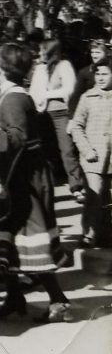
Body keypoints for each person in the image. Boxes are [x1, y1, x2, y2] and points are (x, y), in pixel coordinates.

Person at [0, 43, 72, 323]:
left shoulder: (14, 99)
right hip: (16, 177)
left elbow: (17, 139)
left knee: (30, 241)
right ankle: (15, 297)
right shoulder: (10, 95)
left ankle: (59, 301)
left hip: (21, 181)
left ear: (3, 67)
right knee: (8, 239)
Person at [68, 58, 112, 248]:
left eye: (105, 74)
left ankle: (106, 234)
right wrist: (86, 150)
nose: (101, 78)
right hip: (93, 157)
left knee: (108, 200)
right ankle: (89, 234)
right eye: (98, 74)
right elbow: (76, 127)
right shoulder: (87, 97)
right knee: (94, 196)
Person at [30, 39, 83, 196]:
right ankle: (49, 186)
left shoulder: (64, 66)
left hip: (60, 113)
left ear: (51, 51)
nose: (40, 53)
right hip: (42, 112)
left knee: (67, 149)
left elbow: (69, 89)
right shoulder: (39, 68)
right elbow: (34, 91)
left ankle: (76, 185)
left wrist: (46, 94)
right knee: (45, 150)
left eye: (42, 50)